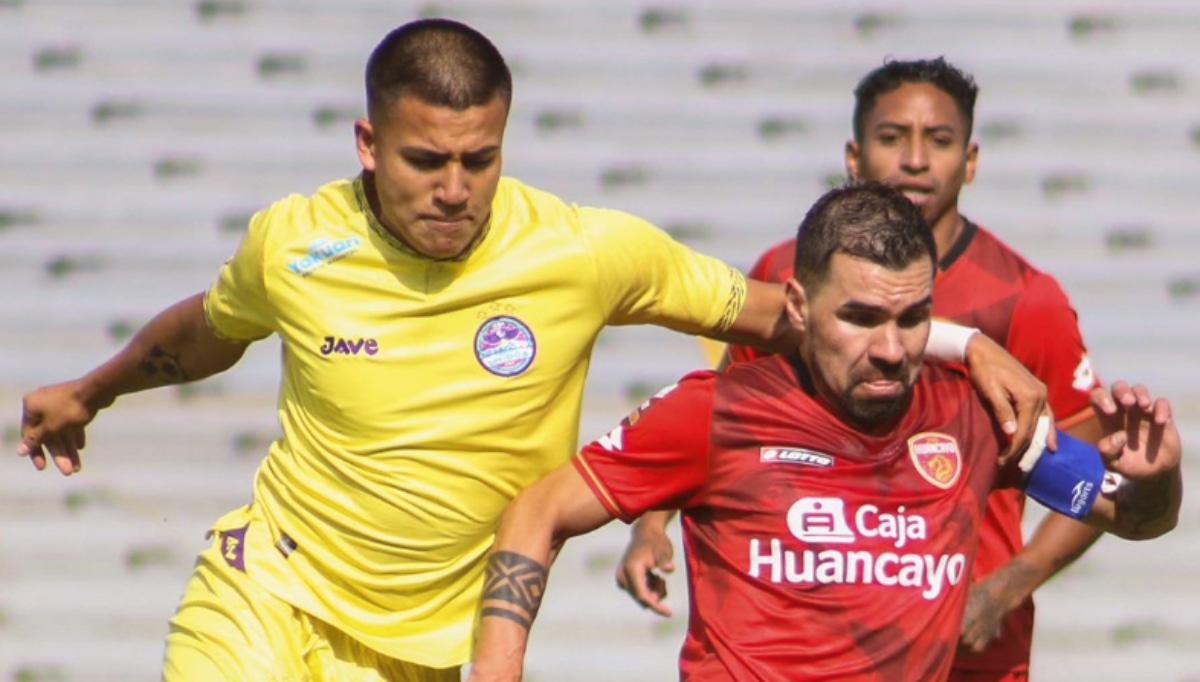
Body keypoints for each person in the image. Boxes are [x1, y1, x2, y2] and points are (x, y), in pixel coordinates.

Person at [15, 22, 1043, 681]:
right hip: (268, 590)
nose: (455, 187)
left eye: (480, 157)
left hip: (434, 644)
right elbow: (206, 327)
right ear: (369, 145)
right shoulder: (294, 239)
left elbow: (796, 314)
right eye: (426, 160)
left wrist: (959, 344)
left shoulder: (588, 250)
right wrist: (93, 390)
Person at [467, 182, 1183, 682]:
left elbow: (1129, 515)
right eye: (862, 319)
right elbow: (540, 510)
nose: (893, 349)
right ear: (802, 307)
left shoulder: (972, 414)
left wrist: (1157, 480)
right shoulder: (716, 412)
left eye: (912, 320)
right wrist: (498, 671)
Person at [617, 57, 1105, 681]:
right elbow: (721, 414)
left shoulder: (1024, 297)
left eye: (940, 140)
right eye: (891, 137)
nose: (916, 160)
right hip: (816, 629)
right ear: (854, 155)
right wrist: (652, 524)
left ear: (971, 160)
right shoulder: (791, 273)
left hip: (970, 642)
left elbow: (1093, 473)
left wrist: (1006, 586)